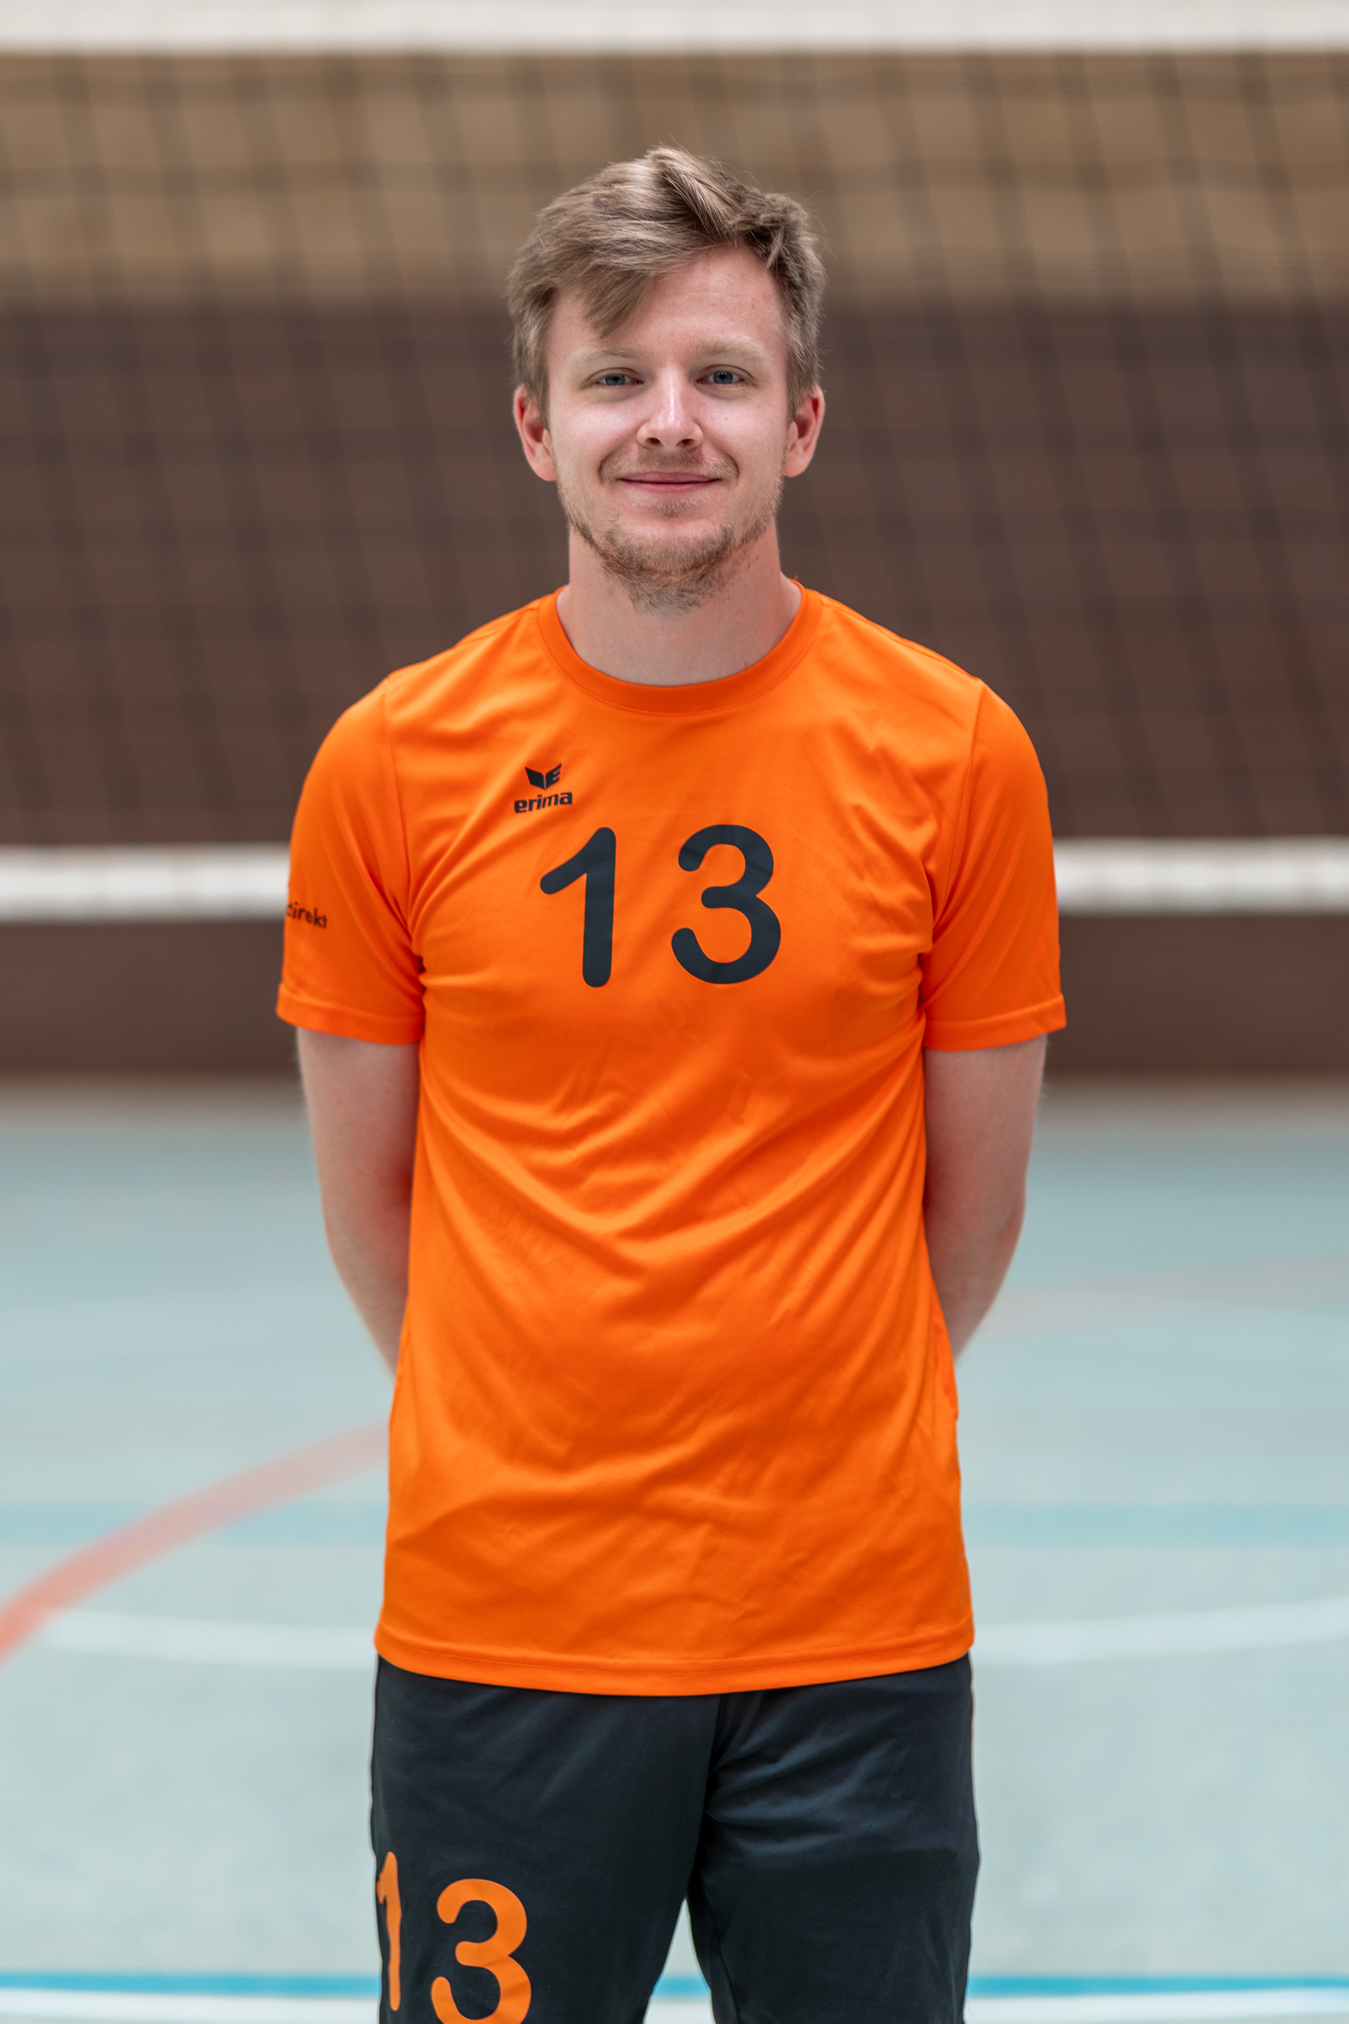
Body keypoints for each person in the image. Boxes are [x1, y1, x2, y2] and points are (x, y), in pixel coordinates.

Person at [278, 146, 1064, 2024]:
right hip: (502, 1630)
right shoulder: (391, 762)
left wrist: (804, 1435)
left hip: (854, 1633)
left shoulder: (956, 756)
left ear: (801, 421)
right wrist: (536, 1431)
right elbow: (372, 1207)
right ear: (533, 428)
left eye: (720, 375)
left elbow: (968, 1214)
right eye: (614, 376)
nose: (667, 423)